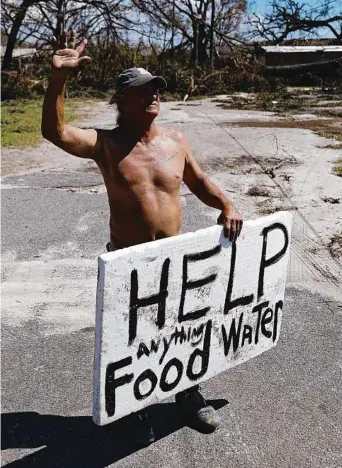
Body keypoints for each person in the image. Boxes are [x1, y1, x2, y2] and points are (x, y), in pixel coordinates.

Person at [42, 30, 243, 446]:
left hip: (176, 261)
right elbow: (55, 132)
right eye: (143, 90)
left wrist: (227, 205)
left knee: (185, 329)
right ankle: (136, 409)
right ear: (121, 101)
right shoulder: (107, 144)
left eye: (156, 88)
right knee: (132, 339)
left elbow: (199, 180)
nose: (154, 95)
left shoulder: (175, 140)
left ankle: (188, 395)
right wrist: (59, 79)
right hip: (129, 262)